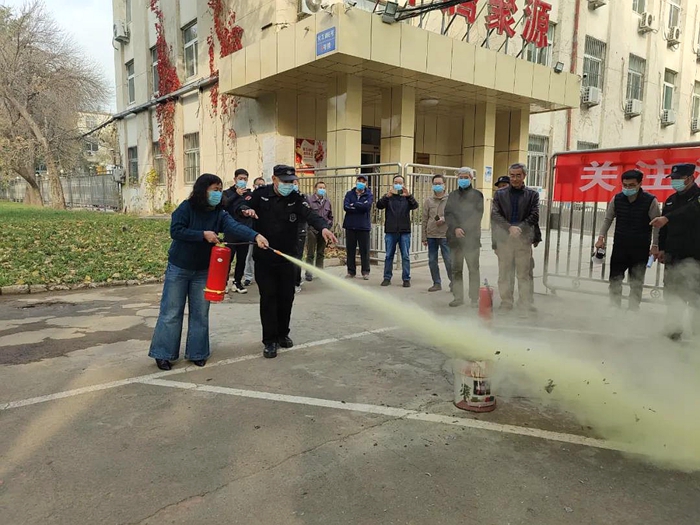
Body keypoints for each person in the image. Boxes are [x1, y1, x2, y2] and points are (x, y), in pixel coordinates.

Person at [148, 173, 269, 371]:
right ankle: (163, 353)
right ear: (202, 190)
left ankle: (197, 353)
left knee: (200, 313)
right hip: (179, 267)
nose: (218, 193)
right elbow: (175, 231)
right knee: (171, 312)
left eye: (220, 190)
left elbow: (234, 226)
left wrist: (255, 236)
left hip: (203, 270)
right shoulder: (186, 208)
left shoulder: (219, 213)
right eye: (214, 189)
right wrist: (202, 235)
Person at [238, 165, 337, 358]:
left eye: (292, 181)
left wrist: (323, 228)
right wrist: (245, 210)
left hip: (287, 258)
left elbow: (311, 215)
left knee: (286, 298)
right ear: (274, 179)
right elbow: (241, 205)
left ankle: (283, 334)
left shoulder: (297, 198)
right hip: (265, 258)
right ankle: (270, 341)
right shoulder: (261, 194)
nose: (289, 185)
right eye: (285, 181)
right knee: (269, 299)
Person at [595, 169, 661, 310]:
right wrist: (601, 237)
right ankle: (614, 307)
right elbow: (608, 219)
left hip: (640, 247)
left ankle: (633, 309)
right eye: (625, 185)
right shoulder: (617, 199)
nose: (627, 188)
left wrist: (655, 245)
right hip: (620, 246)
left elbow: (657, 225)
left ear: (640, 184)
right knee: (615, 279)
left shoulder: (650, 201)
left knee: (636, 281)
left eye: (631, 185)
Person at [650, 163, 700, 341]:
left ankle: (696, 332)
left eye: (679, 178)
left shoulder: (698, 197)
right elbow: (664, 228)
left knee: (695, 295)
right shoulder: (671, 200)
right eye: (673, 179)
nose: (675, 182)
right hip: (674, 254)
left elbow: (691, 211)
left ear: (691, 178)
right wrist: (662, 248)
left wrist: (667, 218)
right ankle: (674, 328)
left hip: (695, 255)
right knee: (672, 292)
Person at [492, 163, 540, 312]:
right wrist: (509, 227)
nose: (514, 179)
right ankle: (506, 302)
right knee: (505, 274)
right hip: (504, 239)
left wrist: (520, 227)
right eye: (512, 175)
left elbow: (535, 215)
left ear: (524, 176)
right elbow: (495, 214)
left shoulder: (532, 195)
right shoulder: (500, 194)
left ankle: (525, 303)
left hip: (523, 240)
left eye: (518, 175)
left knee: (524, 274)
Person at [445, 167, 484, 307]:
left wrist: (464, 229)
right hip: (455, 239)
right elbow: (448, 213)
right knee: (456, 269)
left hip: (471, 239)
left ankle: (474, 298)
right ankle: (458, 297)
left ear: (471, 178)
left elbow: (477, 215)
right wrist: (456, 228)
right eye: (460, 177)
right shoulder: (452, 195)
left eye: (465, 177)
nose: (463, 180)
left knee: (473, 269)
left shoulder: (477, 195)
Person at [377, 175, 419, 287]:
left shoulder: (406, 197)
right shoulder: (389, 197)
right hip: (390, 231)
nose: (398, 184)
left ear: (403, 184)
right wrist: (387, 196)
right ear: (392, 184)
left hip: (404, 231)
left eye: (400, 183)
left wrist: (409, 196)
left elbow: (415, 205)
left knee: (405, 256)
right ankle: (387, 278)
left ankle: (406, 279)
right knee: (388, 256)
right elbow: (379, 205)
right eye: (396, 182)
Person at [223, 168, 254, 294]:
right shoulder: (227, 193)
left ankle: (237, 282)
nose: (243, 181)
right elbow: (225, 204)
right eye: (240, 178)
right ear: (235, 179)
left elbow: (252, 207)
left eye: (245, 179)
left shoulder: (250, 194)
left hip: (245, 230)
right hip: (230, 230)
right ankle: (224, 282)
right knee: (228, 258)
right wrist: (236, 194)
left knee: (242, 259)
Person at [422, 174, 452, 292]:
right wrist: (424, 236)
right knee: (432, 260)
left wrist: (444, 219)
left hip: (445, 235)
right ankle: (436, 283)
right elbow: (424, 219)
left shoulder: (450, 200)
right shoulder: (428, 201)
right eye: (435, 184)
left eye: (439, 184)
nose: (437, 186)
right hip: (431, 235)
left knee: (448, 260)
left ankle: (454, 283)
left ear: (444, 185)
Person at [343, 175, 374, 280]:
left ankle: (365, 271)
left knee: (364, 250)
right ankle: (351, 271)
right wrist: (360, 205)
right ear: (356, 182)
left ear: (366, 183)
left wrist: (354, 204)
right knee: (350, 250)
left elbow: (367, 207)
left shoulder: (369, 194)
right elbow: (346, 207)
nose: (361, 183)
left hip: (363, 226)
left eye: (363, 181)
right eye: (359, 181)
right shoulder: (349, 193)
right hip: (350, 225)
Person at [305, 181, 334, 281]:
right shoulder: (309, 200)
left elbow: (330, 216)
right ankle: (309, 272)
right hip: (312, 230)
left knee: (321, 252)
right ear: (315, 189)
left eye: (323, 188)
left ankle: (319, 271)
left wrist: (328, 225)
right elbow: (306, 215)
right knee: (310, 253)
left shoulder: (327, 202)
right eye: (320, 187)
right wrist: (308, 228)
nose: (322, 189)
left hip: (324, 231)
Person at [242, 176, 266, 286]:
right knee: (250, 255)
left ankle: (262, 276)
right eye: (258, 184)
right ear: (253, 185)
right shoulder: (250, 197)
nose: (260, 186)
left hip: (265, 231)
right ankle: (248, 276)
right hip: (253, 231)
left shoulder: (267, 198)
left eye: (262, 185)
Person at [292, 181, 307, 294]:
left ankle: (296, 282)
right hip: (286, 233)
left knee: (297, 258)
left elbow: (307, 213)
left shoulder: (302, 198)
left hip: (300, 231)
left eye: (295, 183)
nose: (293, 185)